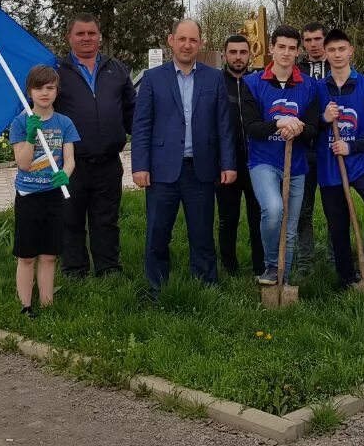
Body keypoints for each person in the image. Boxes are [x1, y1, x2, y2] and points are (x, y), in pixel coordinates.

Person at [131, 19, 236, 292]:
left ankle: (205, 284)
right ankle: (156, 286)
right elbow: (142, 125)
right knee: (157, 232)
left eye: (193, 40)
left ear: (200, 44)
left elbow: (224, 125)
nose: (187, 45)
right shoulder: (153, 78)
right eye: (182, 39)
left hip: (200, 169)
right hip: (162, 169)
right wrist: (139, 165)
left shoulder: (214, 77)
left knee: (202, 233)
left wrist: (228, 163)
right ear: (171, 41)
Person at [54, 13, 136, 278]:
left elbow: (131, 111)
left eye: (91, 33)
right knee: (70, 218)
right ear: (69, 37)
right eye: (80, 33)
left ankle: (109, 268)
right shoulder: (57, 72)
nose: (86, 38)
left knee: (106, 220)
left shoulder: (117, 69)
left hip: (109, 161)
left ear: (99, 36)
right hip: (70, 162)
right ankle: (74, 269)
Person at [240, 25, 322, 285]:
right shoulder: (252, 83)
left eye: (291, 48)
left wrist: (298, 128)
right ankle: (271, 266)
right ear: (271, 49)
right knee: (274, 210)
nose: (286, 53)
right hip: (264, 161)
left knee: (290, 226)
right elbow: (252, 128)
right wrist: (279, 123)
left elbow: (312, 130)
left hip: (296, 164)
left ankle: (282, 280)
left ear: (298, 52)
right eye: (281, 47)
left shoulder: (309, 86)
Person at [316, 29, 364, 288]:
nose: (337, 54)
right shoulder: (318, 90)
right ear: (325, 54)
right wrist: (323, 119)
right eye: (332, 50)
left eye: (342, 49)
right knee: (338, 226)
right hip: (330, 167)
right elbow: (307, 128)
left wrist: (352, 147)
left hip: (361, 162)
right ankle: (347, 278)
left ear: (351, 51)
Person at [8, 65, 78, 316]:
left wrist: (65, 175)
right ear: (29, 91)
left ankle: (48, 305)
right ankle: (26, 306)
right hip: (28, 196)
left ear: (57, 91)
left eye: (50, 88)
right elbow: (24, 163)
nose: (45, 93)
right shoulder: (19, 123)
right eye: (39, 88)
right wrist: (30, 136)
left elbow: (69, 160)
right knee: (27, 255)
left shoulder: (65, 123)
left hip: (54, 196)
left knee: (49, 255)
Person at [216, 33, 265, 276]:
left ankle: (261, 266)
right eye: (233, 52)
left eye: (242, 52)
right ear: (224, 54)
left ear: (250, 55)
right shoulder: (215, 82)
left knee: (258, 217)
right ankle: (229, 266)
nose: (238, 57)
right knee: (228, 218)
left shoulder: (258, 83)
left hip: (257, 161)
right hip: (226, 161)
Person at [294, 22, 329, 265]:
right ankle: (306, 260)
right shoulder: (297, 70)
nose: (313, 44)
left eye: (317, 39)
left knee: (334, 207)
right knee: (303, 207)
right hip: (304, 147)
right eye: (308, 40)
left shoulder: (338, 64)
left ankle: (335, 257)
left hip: (331, 146)